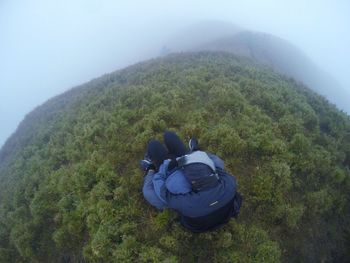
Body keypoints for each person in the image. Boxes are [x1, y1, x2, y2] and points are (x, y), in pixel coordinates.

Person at [141, 131, 242, 232]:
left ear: (193, 184)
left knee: (149, 190)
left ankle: (150, 168)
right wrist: (192, 157)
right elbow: (218, 167)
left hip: (173, 178)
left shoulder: (188, 203)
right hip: (221, 212)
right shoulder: (229, 184)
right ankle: (192, 151)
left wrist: (163, 167)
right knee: (169, 136)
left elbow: (164, 193)